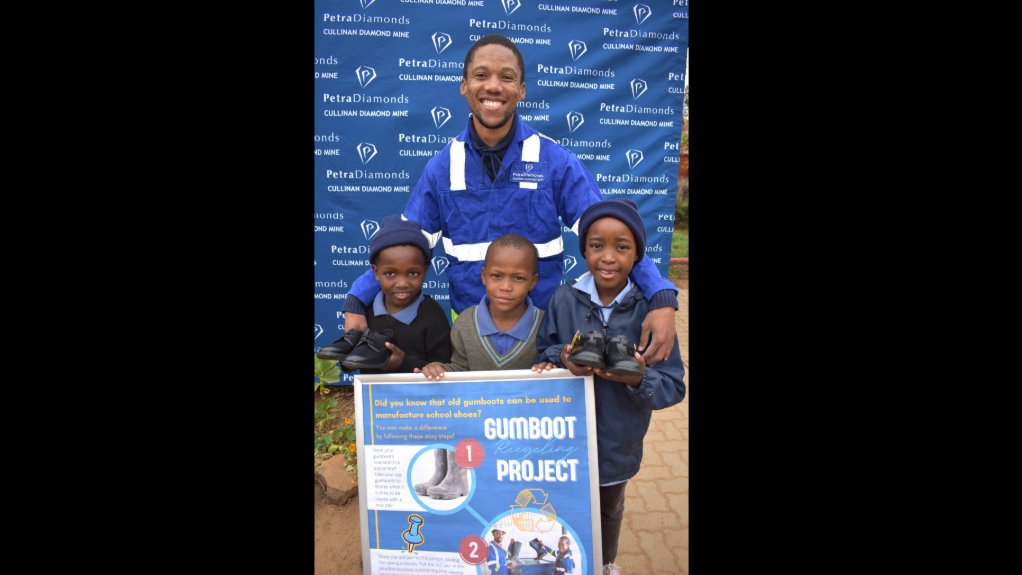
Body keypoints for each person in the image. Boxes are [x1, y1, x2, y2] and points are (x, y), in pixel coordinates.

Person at [340, 34, 679, 367]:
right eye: (481, 75)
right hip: (471, 334)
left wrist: (660, 295)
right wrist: (357, 300)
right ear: (464, 86)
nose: (493, 86)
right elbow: (404, 243)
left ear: (521, 90)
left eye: (507, 77)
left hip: (541, 332)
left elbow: (610, 234)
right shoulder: (443, 166)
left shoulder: (554, 160)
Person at [532, 199, 686, 575]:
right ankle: (559, 561)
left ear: (638, 255)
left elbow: (673, 385)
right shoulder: (565, 298)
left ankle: (604, 562)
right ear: (584, 249)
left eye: (622, 247)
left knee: (608, 507)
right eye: (597, 245)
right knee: (560, 505)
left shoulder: (650, 309)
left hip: (618, 443)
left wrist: (638, 377)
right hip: (562, 441)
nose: (608, 257)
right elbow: (544, 349)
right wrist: (564, 359)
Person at [321, 215, 452, 374]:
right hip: (374, 397)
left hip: (419, 398)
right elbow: (353, 357)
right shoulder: (365, 311)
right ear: (376, 272)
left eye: (413, 273)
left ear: (425, 271)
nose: (402, 283)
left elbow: (444, 364)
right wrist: (348, 363)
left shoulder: (433, 314)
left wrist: (403, 363)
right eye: (390, 274)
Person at [415, 233, 543, 380]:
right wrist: (439, 369)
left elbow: (553, 372)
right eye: (496, 276)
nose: (506, 287)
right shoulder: (465, 323)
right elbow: (459, 370)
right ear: (484, 276)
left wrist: (548, 367)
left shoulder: (544, 324)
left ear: (533, 281)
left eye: (518, 278)